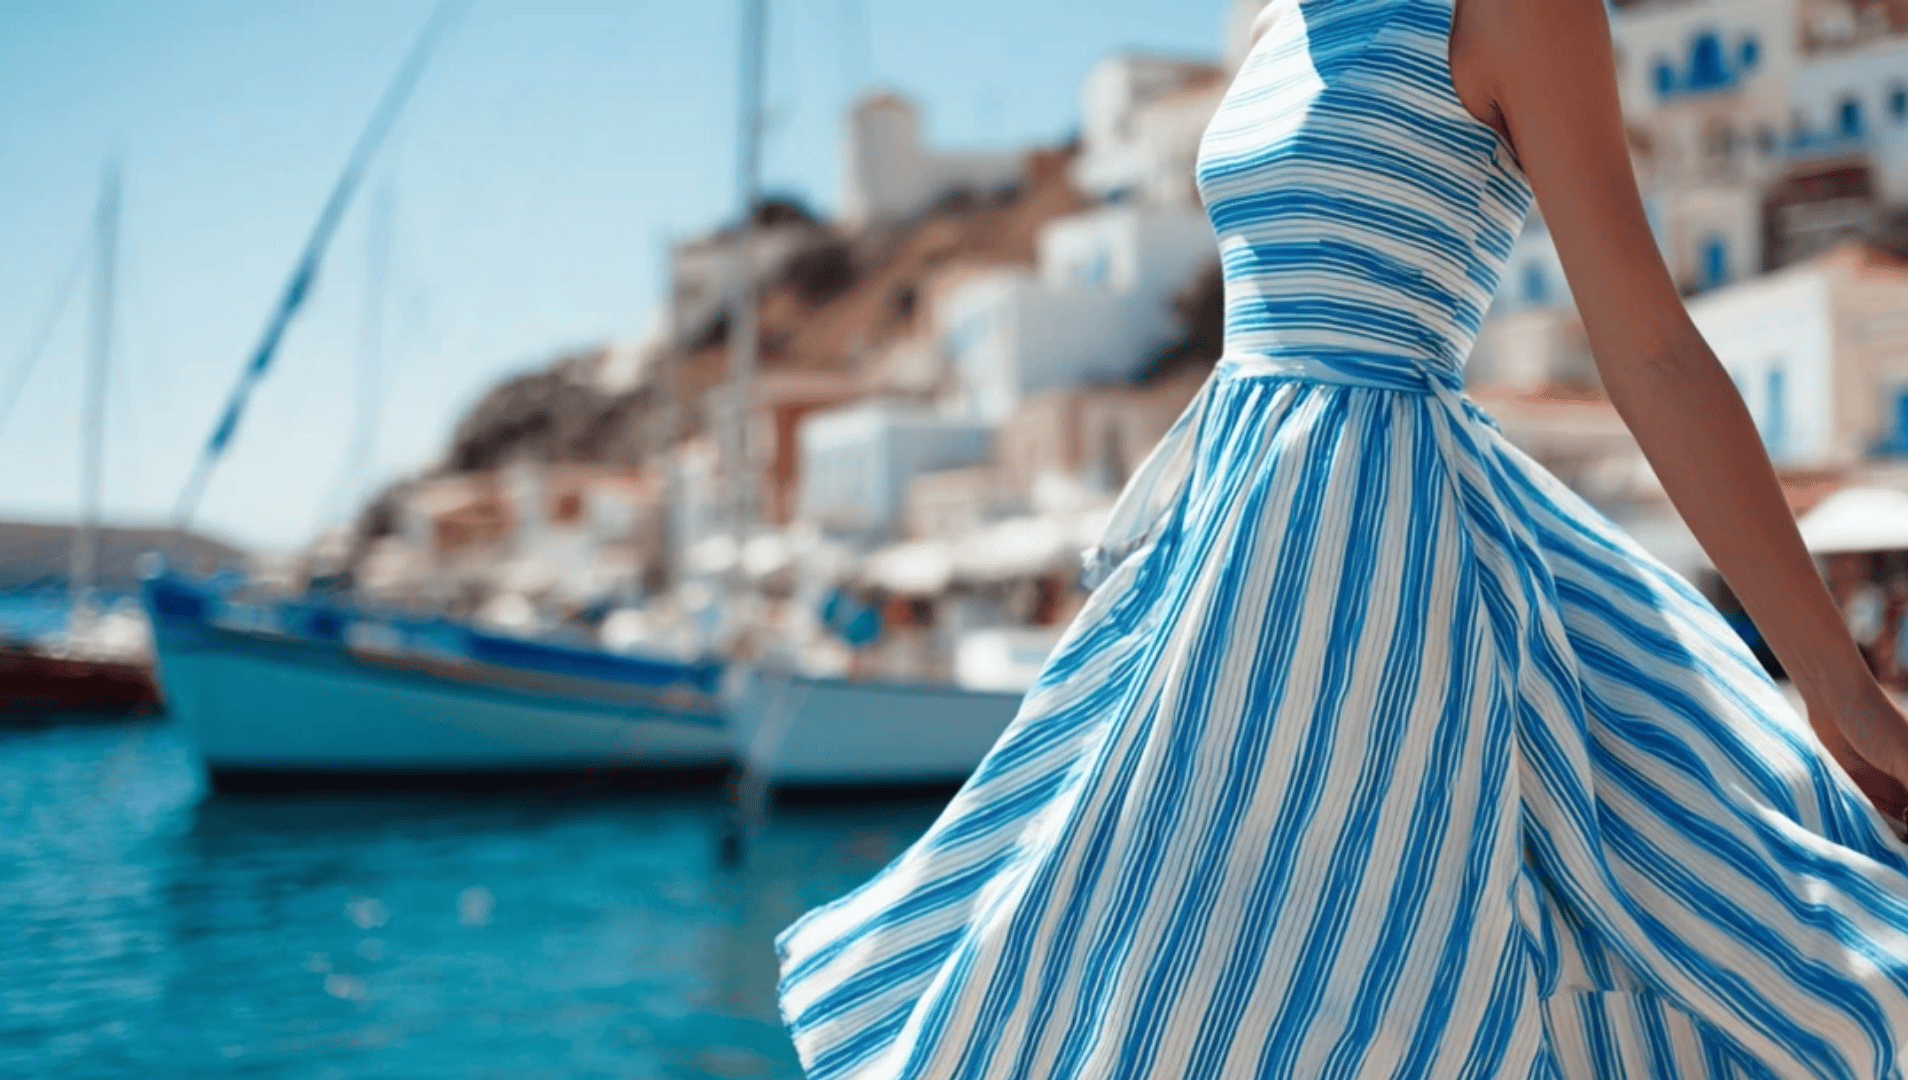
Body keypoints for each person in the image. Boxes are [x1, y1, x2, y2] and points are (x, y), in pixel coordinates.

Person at [772, 0, 1908, 1074]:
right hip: (1229, 550)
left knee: (1356, 980)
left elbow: (1650, 350)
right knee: (1126, 972)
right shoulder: (1280, 20)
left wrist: (1838, 687)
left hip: (1384, 561)